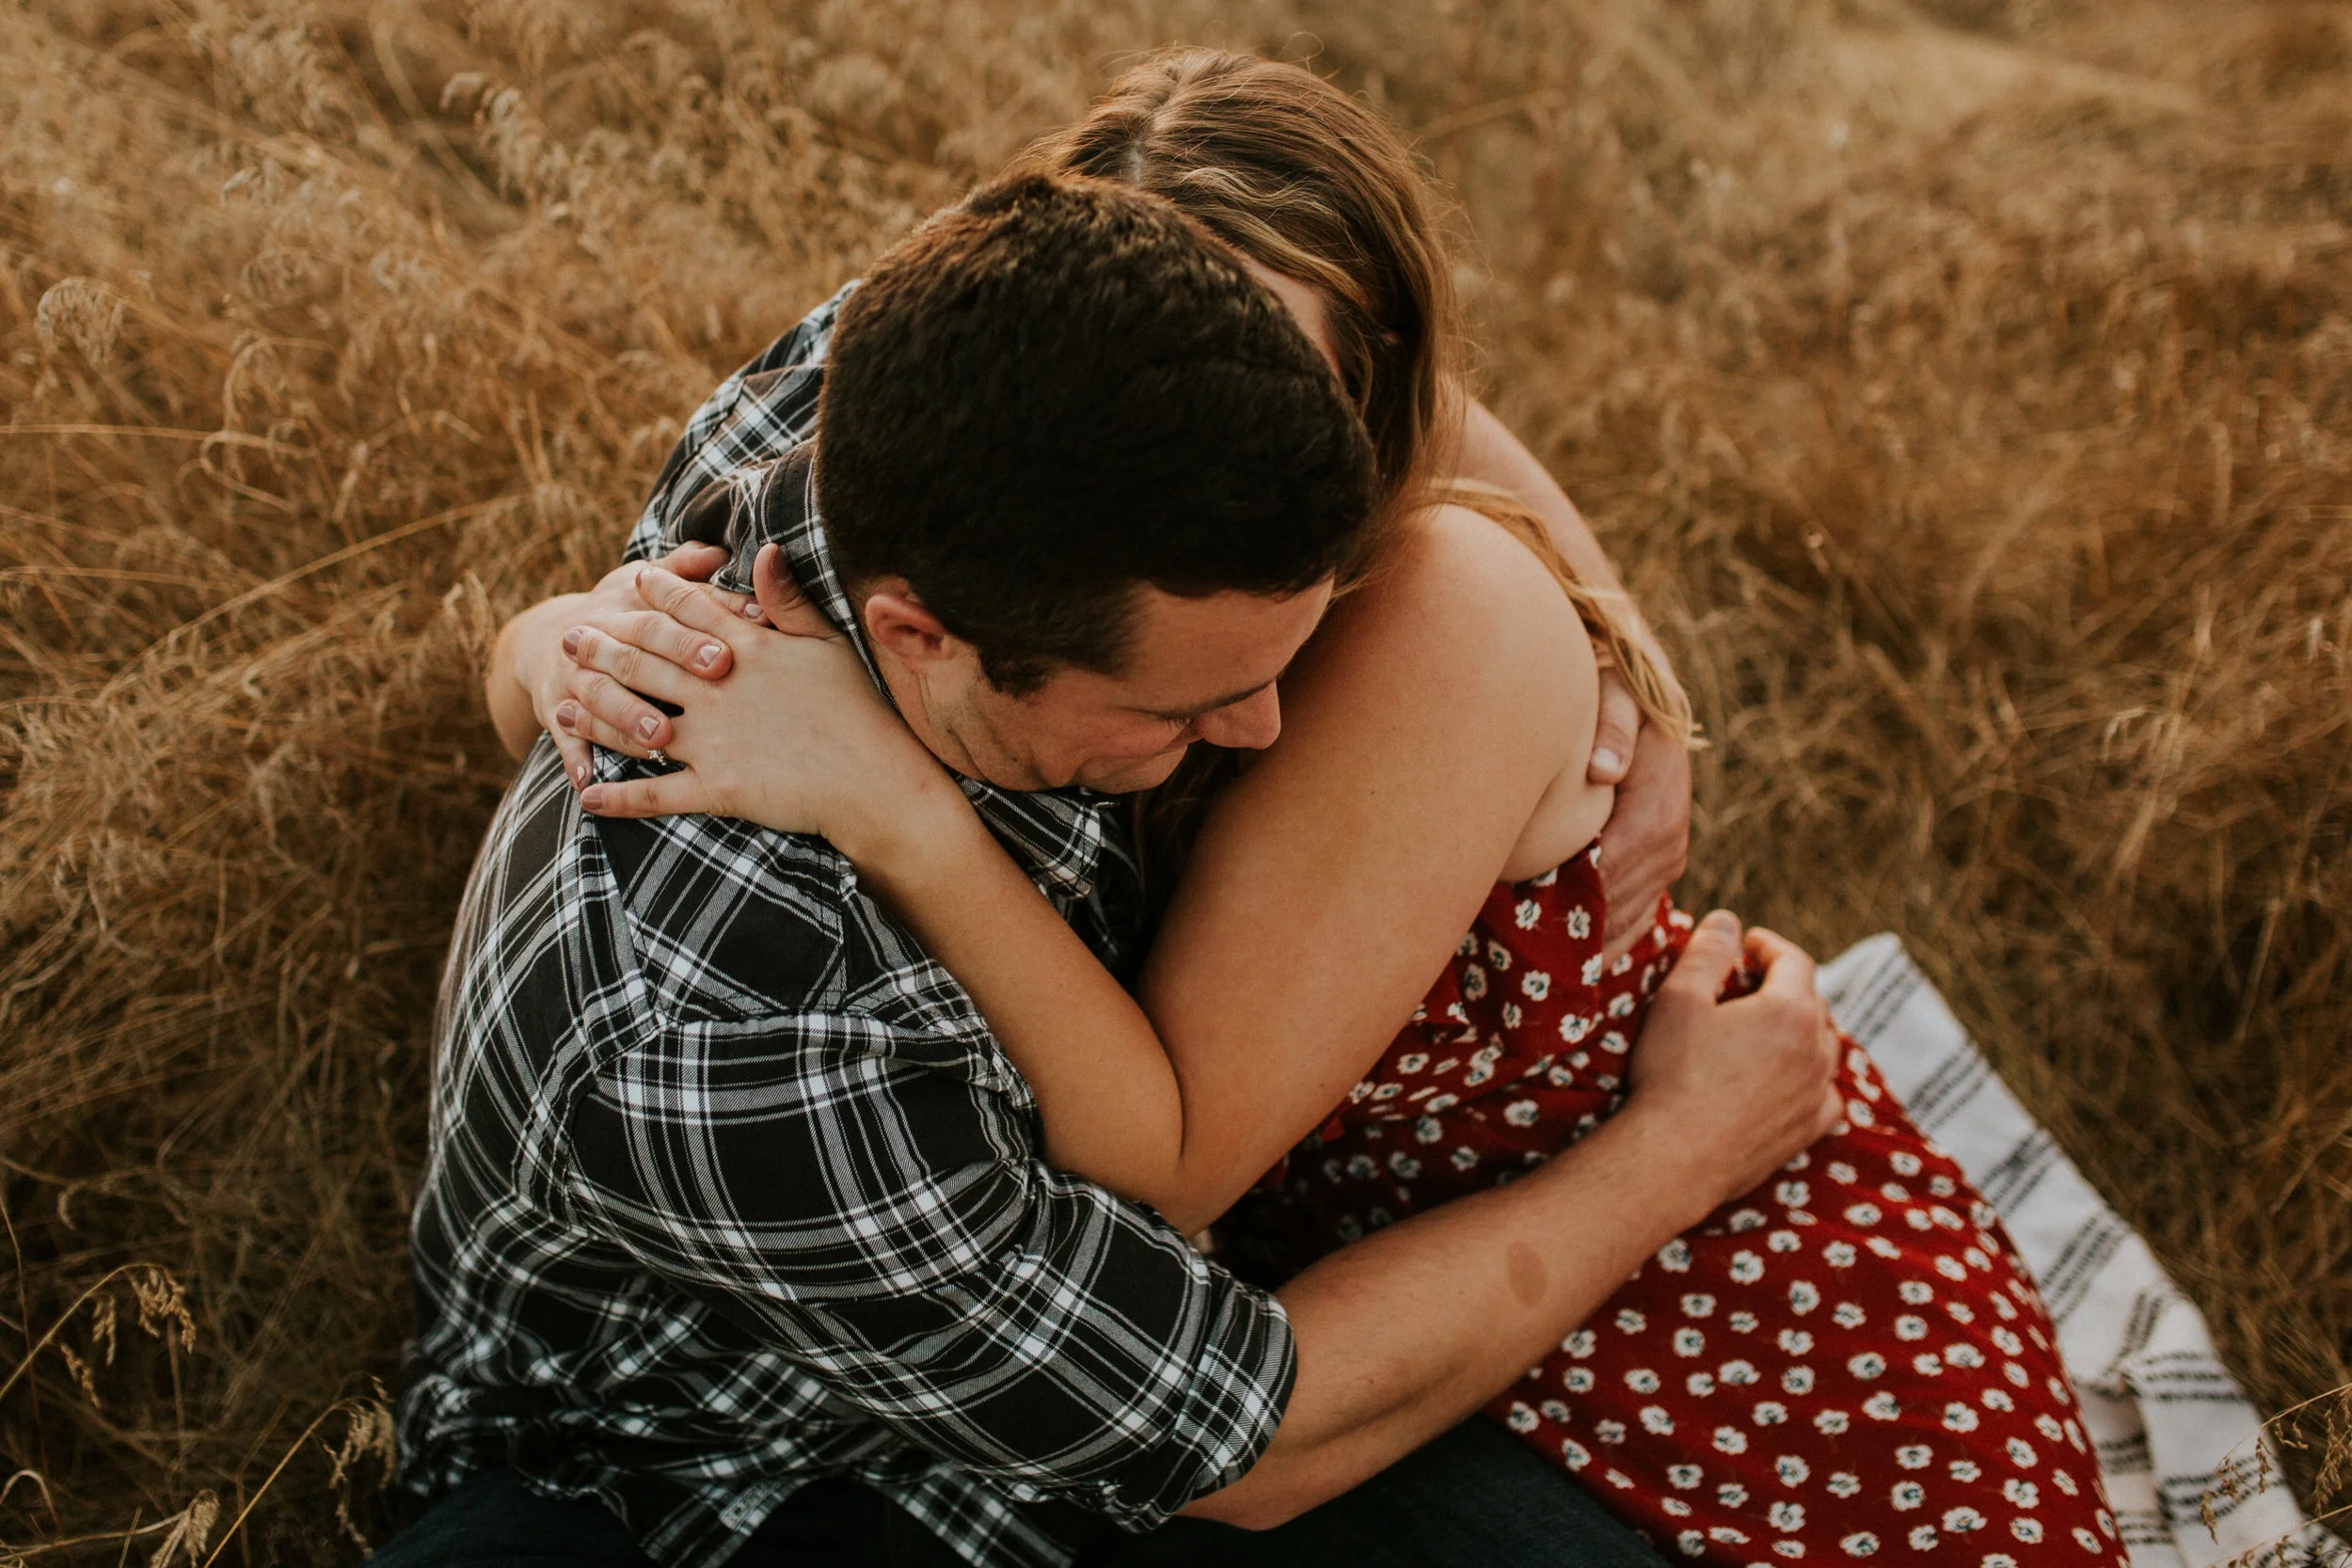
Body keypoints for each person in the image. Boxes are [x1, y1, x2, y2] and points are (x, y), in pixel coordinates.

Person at [519, 52, 2131, 1568]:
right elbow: (1195, 1303)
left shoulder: (1391, 611)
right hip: (1394, 1295)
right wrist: (548, 647)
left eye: (1302, 395)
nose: (1236, 438)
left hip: (1680, 1322)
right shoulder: (970, 420)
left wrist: (1685, 1126)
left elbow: (1173, 1196)